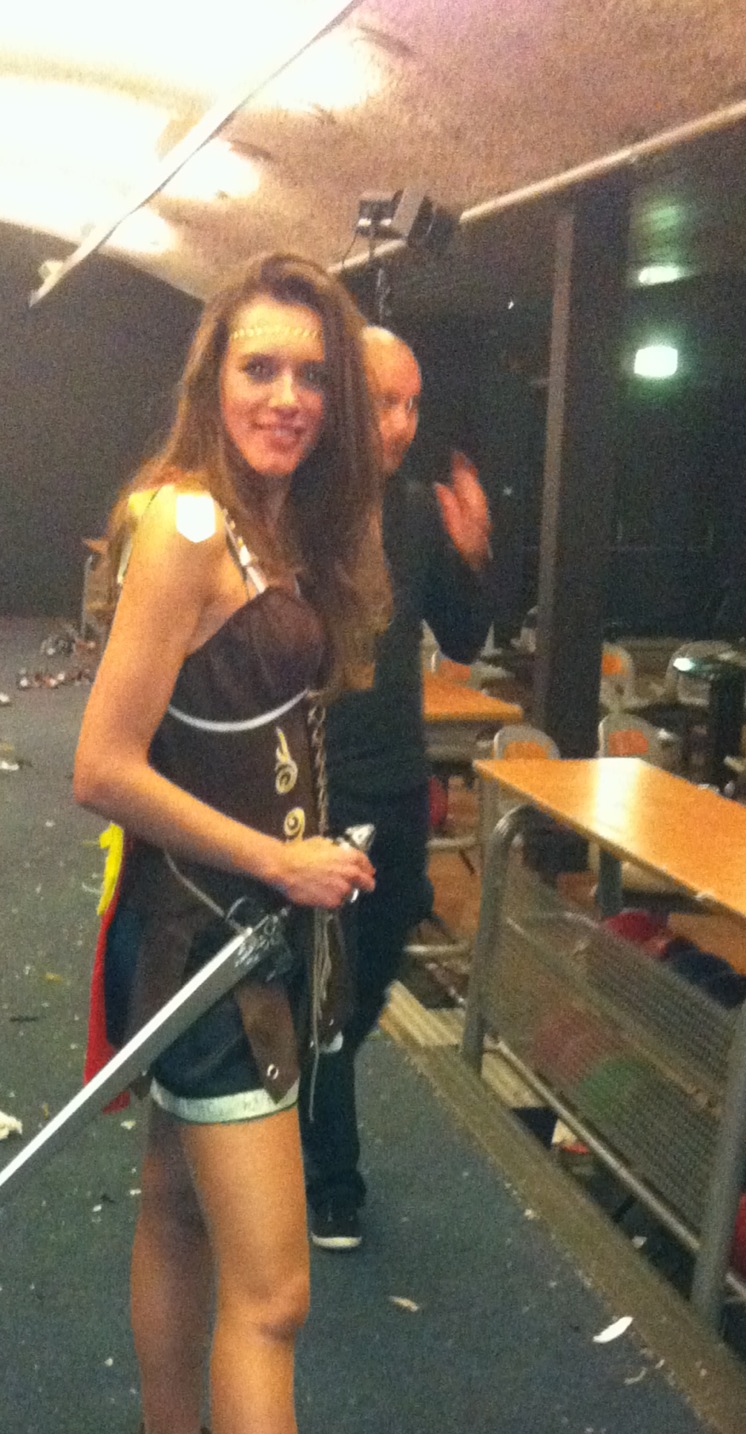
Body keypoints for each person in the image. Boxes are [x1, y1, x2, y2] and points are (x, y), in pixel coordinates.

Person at [74, 254, 426, 1434]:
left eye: (308, 374)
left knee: (172, 1200)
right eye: (258, 369)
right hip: (207, 950)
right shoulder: (183, 524)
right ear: (211, 378)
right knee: (272, 1292)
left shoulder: (271, 521)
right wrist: (276, 858)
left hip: (237, 936)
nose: (286, 397)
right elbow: (100, 764)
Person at [298, 327, 494, 1250]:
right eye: (385, 401)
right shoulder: (293, 509)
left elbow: (463, 639)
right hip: (318, 787)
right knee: (328, 989)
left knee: (373, 971)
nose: (403, 423)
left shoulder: (416, 512)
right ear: (340, 395)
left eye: (413, 404)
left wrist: (472, 553)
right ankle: (331, 1180)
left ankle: (302, 1082)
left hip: (398, 783)